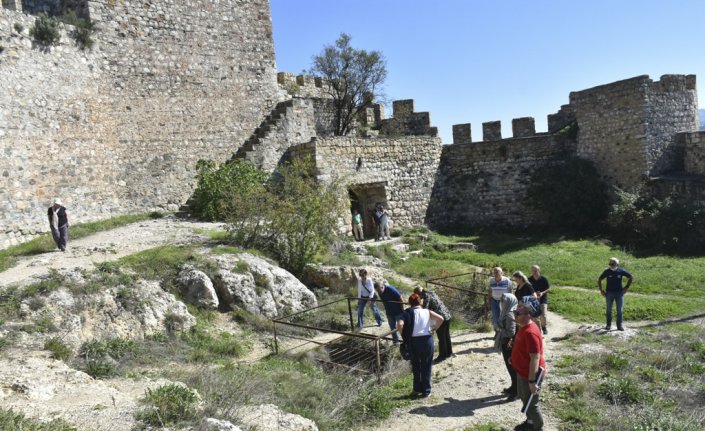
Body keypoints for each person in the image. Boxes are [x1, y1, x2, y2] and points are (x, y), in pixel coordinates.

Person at [396, 293, 444, 398]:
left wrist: (403, 335)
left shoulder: (406, 313)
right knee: (426, 365)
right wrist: (433, 330)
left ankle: (416, 388)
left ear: (410, 303)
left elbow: (399, 324)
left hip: (413, 342)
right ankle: (426, 391)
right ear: (420, 302)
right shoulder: (427, 311)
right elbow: (441, 319)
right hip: (427, 340)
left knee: (416, 365)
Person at [511, 302, 547, 431]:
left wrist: (532, 381)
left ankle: (538, 427)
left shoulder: (531, 332)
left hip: (531, 374)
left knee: (531, 404)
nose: (515, 316)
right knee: (523, 397)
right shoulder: (523, 326)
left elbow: (535, 358)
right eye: (514, 313)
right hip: (522, 371)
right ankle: (530, 421)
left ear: (528, 315)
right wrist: (513, 357)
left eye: (517, 313)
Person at [414, 286, 453, 362]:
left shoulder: (426, 297)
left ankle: (442, 356)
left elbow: (425, 310)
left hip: (441, 318)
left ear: (419, 294)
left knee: (441, 338)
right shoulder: (432, 293)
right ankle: (449, 352)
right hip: (447, 315)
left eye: (417, 296)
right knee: (446, 336)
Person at [598, 257, 634, 331]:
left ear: (617, 264)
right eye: (610, 263)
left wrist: (626, 287)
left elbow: (631, 277)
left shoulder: (621, 271)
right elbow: (600, 279)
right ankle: (608, 325)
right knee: (608, 310)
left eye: (613, 263)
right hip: (609, 293)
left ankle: (619, 326)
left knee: (619, 310)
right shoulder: (607, 271)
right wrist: (601, 290)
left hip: (619, 293)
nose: (611, 264)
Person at [496, 292, 518, 401]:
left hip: (509, 345)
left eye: (503, 301)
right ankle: (514, 387)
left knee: (512, 368)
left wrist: (500, 329)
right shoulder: (509, 311)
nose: (501, 302)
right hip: (508, 344)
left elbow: (511, 333)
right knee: (511, 368)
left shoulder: (509, 314)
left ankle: (516, 391)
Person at [529, 265, 551, 335]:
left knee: (543, 315)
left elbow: (549, 289)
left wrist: (542, 293)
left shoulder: (544, 279)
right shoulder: (529, 279)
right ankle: (536, 329)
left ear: (539, 270)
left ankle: (544, 327)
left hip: (543, 299)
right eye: (533, 271)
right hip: (533, 300)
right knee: (534, 315)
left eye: (536, 270)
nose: (534, 272)